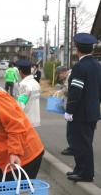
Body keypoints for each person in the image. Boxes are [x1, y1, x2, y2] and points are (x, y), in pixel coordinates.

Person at [65, 33, 101, 182]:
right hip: (92, 111)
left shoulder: (80, 67)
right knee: (83, 142)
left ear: (77, 49)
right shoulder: (97, 66)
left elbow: (75, 91)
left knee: (80, 143)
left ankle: (86, 173)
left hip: (80, 113)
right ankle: (79, 169)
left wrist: (69, 110)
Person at [54, 66, 73, 156]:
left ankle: (72, 148)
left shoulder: (70, 76)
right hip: (71, 106)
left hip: (72, 107)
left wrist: (61, 91)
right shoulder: (69, 76)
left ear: (63, 72)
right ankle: (72, 146)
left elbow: (68, 90)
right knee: (71, 129)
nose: (59, 77)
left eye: (59, 75)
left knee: (71, 129)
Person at [16, 60, 41, 128]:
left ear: (20, 72)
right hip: (35, 118)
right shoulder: (35, 83)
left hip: (26, 119)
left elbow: (21, 103)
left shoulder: (24, 85)